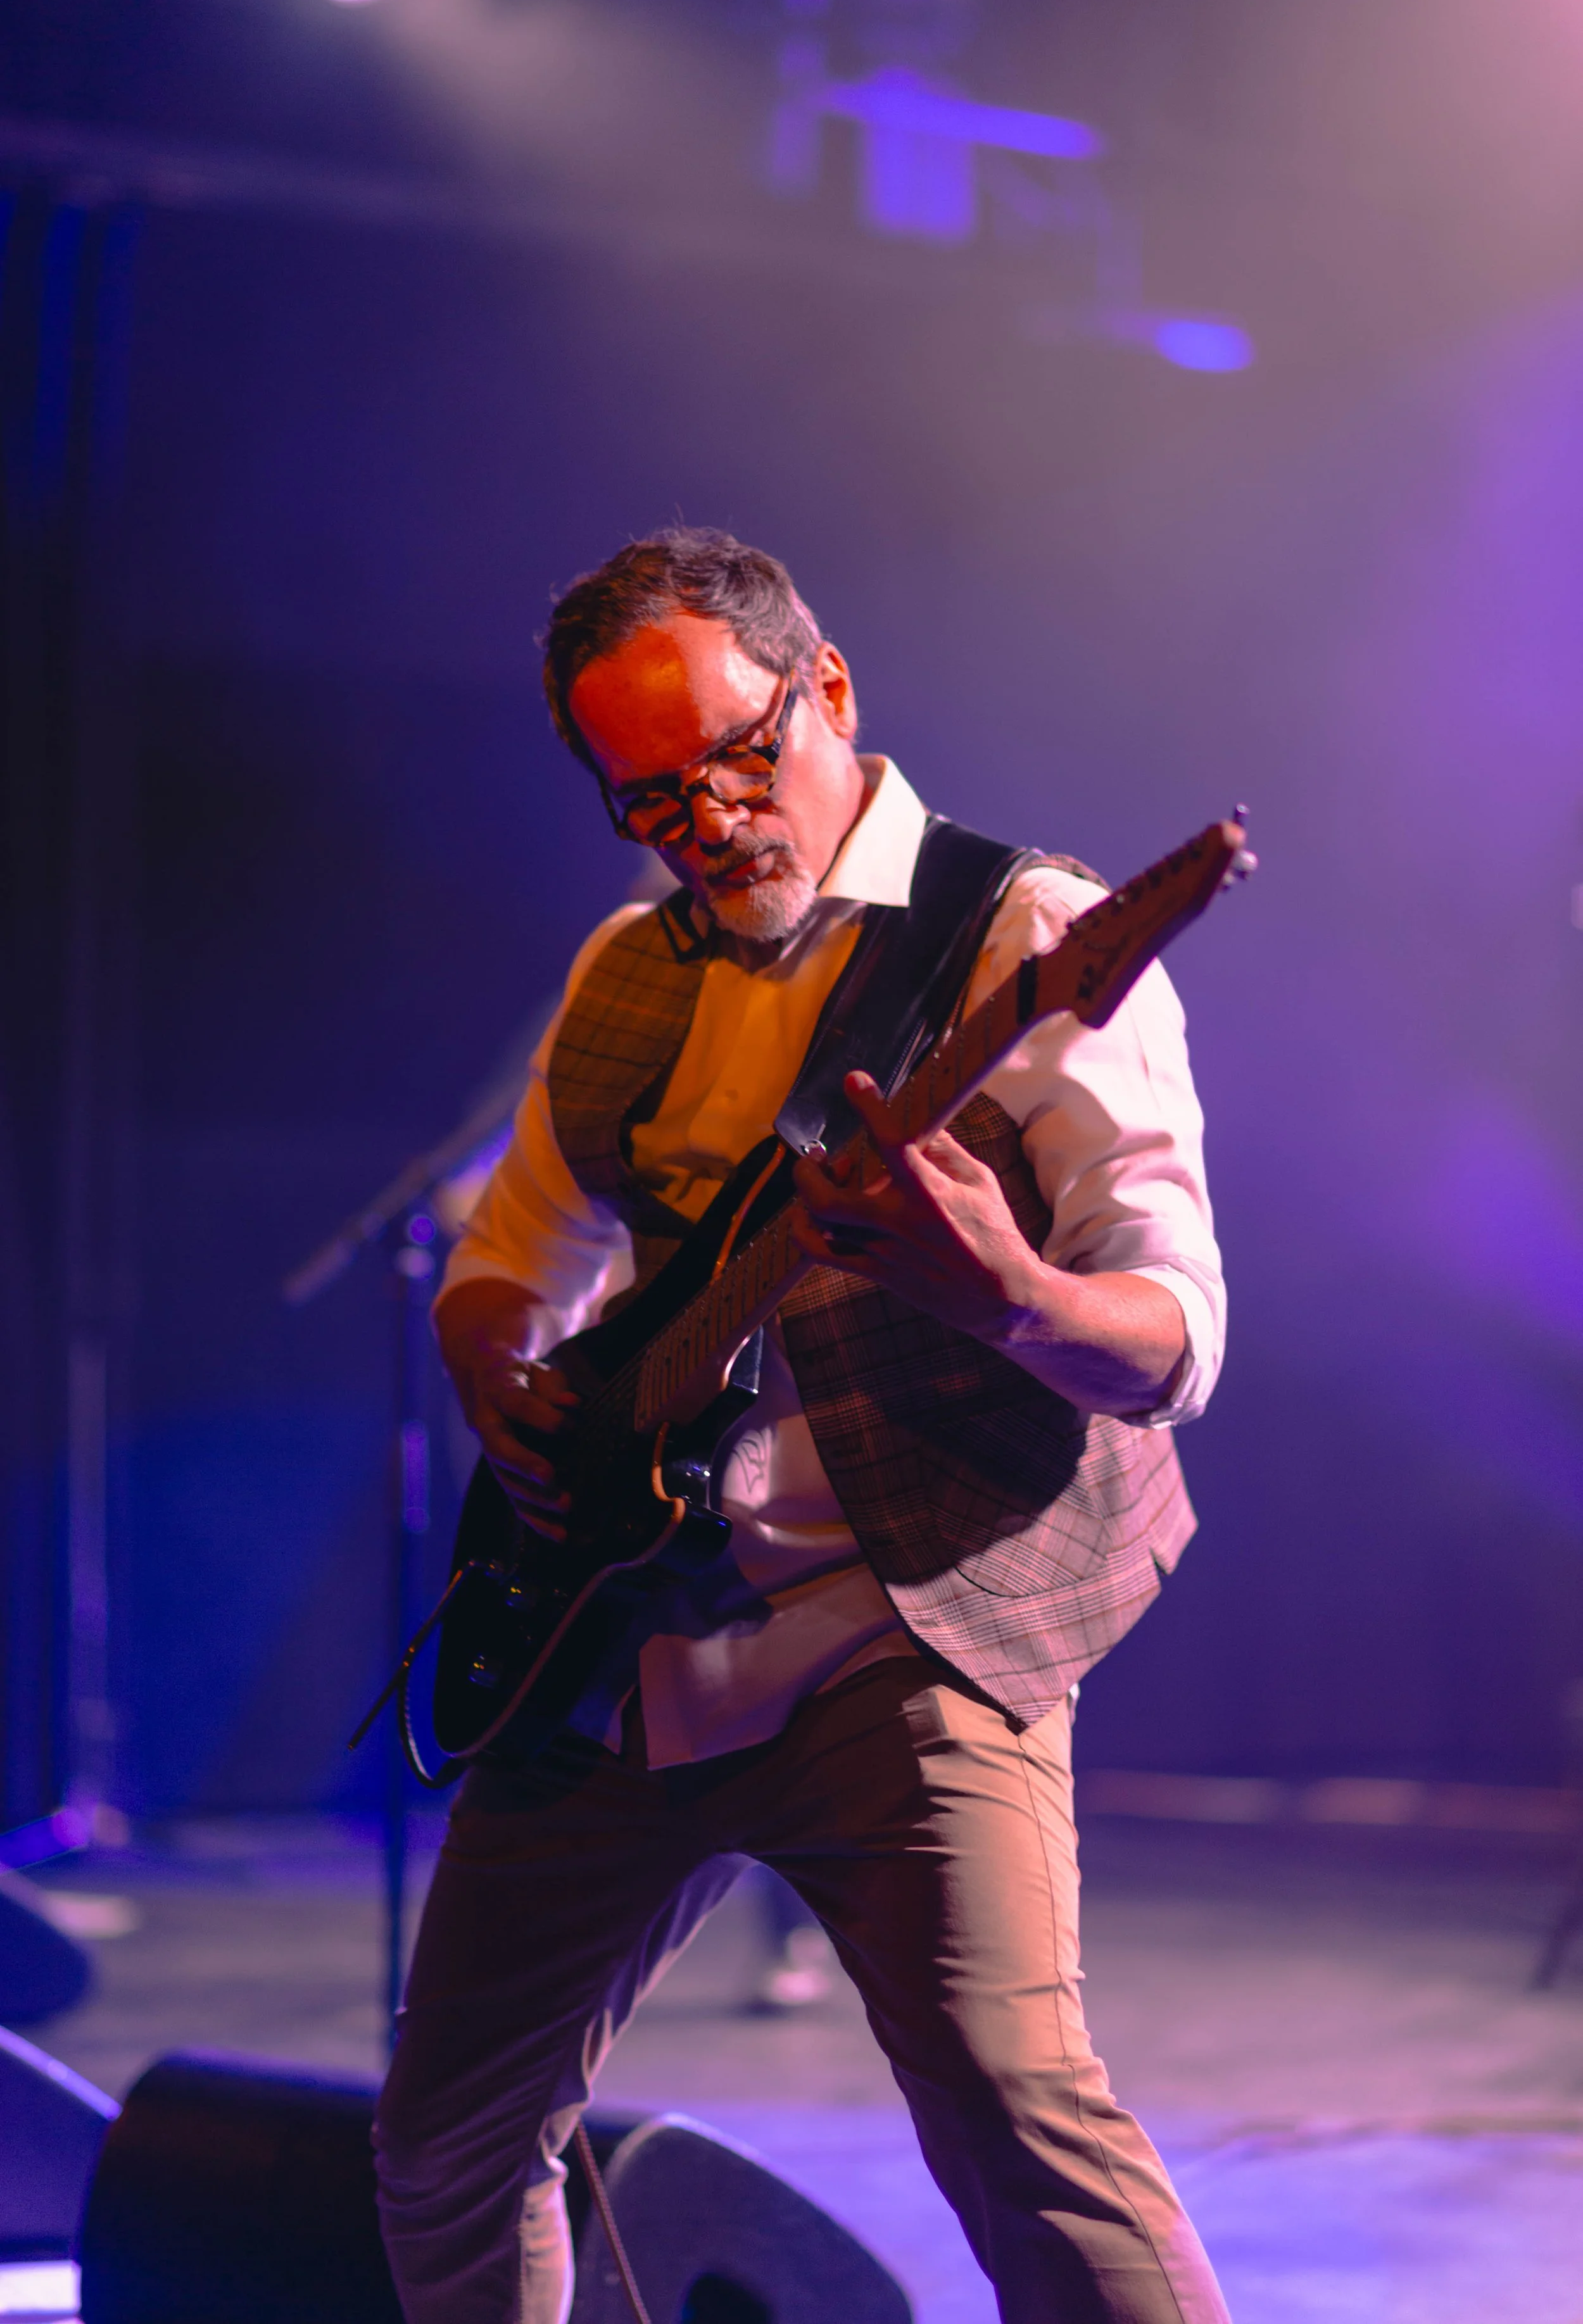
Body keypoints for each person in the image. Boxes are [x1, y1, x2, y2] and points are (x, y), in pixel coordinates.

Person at [374, 529, 1232, 2324]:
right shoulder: (627, 967)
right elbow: (512, 1255)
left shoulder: (1029, 939)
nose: (709, 820)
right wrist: (497, 1365)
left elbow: (1174, 1337)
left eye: (738, 756)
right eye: (650, 797)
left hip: (909, 1630)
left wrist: (1012, 1297)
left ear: (825, 685)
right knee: (446, 2138)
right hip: (621, 1636)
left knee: (1023, 2129)